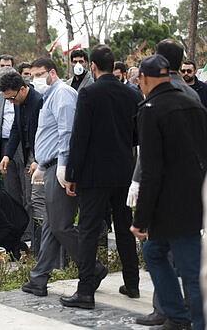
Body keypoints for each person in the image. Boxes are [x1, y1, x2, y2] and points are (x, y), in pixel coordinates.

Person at [128, 38, 203, 327]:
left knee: (191, 271)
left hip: (171, 205)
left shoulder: (151, 110)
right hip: (193, 196)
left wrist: (140, 218)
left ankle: (193, 321)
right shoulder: (192, 101)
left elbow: (152, 169)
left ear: (144, 79)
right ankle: (177, 313)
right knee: (155, 252)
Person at [61, 45, 140, 309]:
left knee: (88, 230)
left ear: (92, 66)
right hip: (123, 170)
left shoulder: (89, 93)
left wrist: (72, 173)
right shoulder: (131, 93)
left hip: (94, 174)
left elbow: (79, 136)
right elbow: (136, 136)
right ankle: (132, 283)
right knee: (124, 226)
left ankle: (85, 291)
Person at [23, 57, 109, 297]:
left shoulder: (62, 93)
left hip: (61, 168)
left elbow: (67, 132)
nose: (35, 79)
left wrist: (62, 166)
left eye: (39, 74)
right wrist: (42, 163)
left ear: (52, 72)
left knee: (60, 225)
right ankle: (39, 278)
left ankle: (93, 268)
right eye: (32, 75)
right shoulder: (50, 95)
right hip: (50, 166)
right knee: (52, 225)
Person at [0, 71, 44, 252]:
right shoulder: (18, 103)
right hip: (25, 154)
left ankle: (39, 244)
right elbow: (16, 129)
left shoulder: (38, 101)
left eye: (12, 98)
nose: (11, 102)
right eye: (7, 99)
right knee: (26, 198)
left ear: (23, 89)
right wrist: (7, 155)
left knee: (35, 200)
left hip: (39, 154)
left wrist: (38, 159)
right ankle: (32, 242)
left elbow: (44, 133)